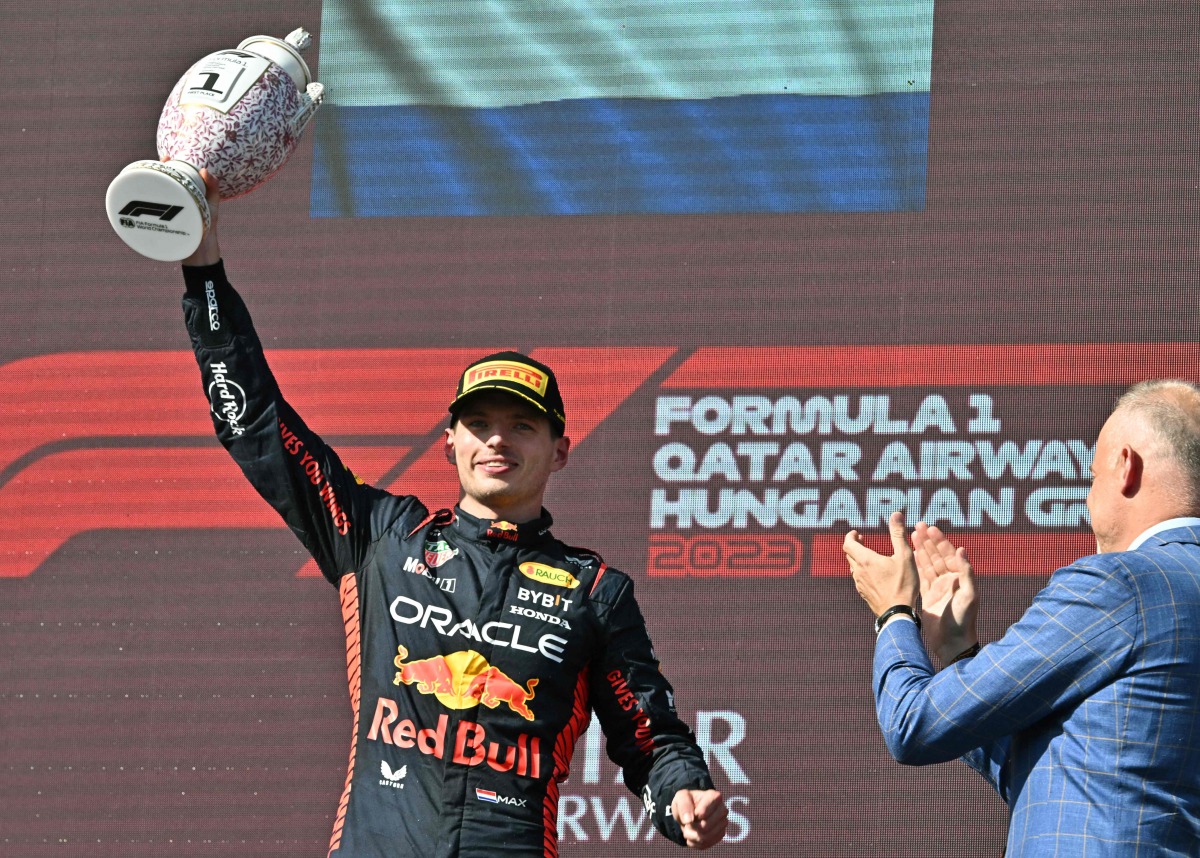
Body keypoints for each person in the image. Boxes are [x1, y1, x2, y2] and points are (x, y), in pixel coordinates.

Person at [177, 174, 727, 857]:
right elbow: (255, 425)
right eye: (480, 423)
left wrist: (682, 794)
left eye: (522, 427)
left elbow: (650, 739)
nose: (498, 440)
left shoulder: (594, 592)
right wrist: (202, 270)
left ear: (559, 450)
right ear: (451, 443)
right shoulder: (381, 537)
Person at [843, 379, 1200, 857]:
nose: (1089, 501)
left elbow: (914, 725)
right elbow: (1058, 782)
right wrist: (956, 652)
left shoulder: (1121, 584)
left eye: (1091, 478)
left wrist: (894, 612)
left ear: (1125, 466)